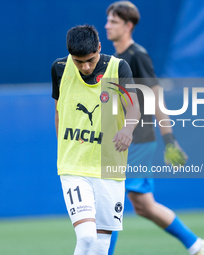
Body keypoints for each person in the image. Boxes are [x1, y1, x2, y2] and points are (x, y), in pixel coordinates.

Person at [105, 2, 204, 255]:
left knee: (112, 199)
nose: (107, 25)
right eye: (108, 20)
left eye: (113, 21)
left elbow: (155, 97)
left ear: (128, 25)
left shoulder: (137, 55)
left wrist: (169, 140)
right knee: (143, 205)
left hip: (138, 140)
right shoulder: (114, 60)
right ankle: (196, 245)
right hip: (122, 140)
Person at [51, 25, 140, 254]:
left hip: (110, 167)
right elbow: (59, 111)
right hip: (75, 167)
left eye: (90, 60)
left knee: (101, 245)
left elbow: (134, 108)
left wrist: (128, 130)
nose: (85, 66)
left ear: (99, 48)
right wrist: (66, 147)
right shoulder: (60, 69)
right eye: (79, 61)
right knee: (88, 238)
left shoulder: (118, 68)